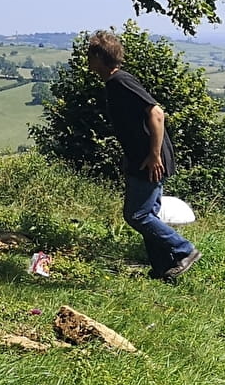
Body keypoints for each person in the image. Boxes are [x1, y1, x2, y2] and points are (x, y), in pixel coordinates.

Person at [84, 29, 200, 281]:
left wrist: (154, 155)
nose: (87, 60)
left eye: (90, 55)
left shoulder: (120, 81)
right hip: (142, 159)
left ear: (100, 57)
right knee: (149, 214)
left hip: (149, 160)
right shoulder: (115, 82)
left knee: (137, 215)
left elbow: (157, 113)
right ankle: (163, 269)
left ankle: (183, 249)